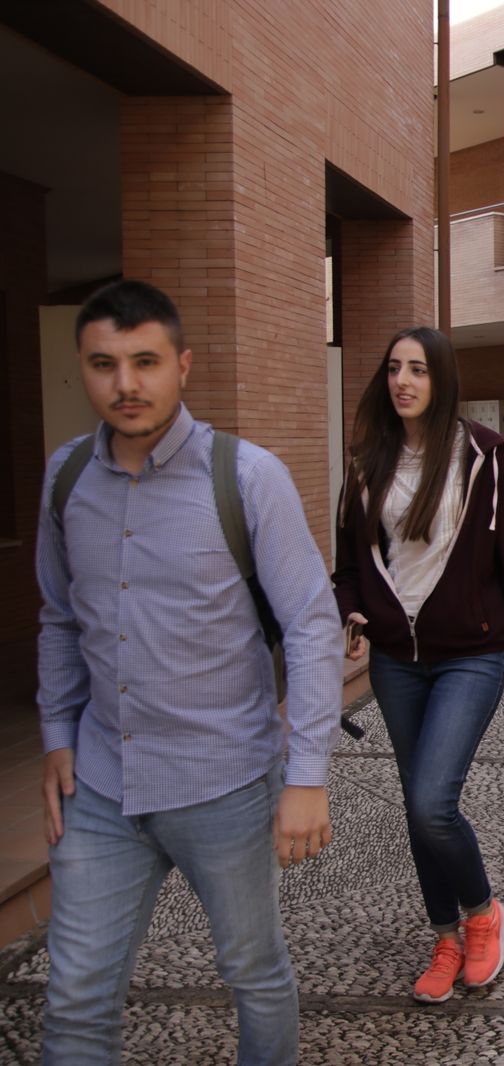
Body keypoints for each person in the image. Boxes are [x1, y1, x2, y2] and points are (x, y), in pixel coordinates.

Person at [36, 280, 344, 1063]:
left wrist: (307, 774)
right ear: (82, 367)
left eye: (145, 361)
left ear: (183, 365)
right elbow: (60, 616)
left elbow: (312, 624)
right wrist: (57, 732)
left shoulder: (246, 477)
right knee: (75, 996)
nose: (126, 383)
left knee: (253, 972)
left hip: (225, 785)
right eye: (104, 364)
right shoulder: (66, 478)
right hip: (101, 785)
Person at [333, 327, 504, 1004]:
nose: (403, 381)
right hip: (396, 660)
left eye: (418, 370)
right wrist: (350, 610)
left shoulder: (482, 459)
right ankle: (445, 936)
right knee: (417, 805)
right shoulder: (366, 462)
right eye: (394, 368)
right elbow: (350, 566)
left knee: (434, 801)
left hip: (470, 655)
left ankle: (483, 913)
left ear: (441, 382)